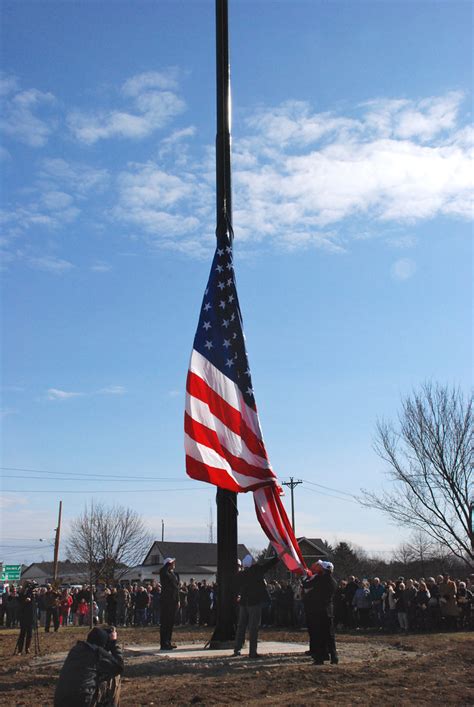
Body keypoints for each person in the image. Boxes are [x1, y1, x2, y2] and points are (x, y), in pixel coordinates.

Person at [54, 626, 124, 707]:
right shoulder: (98, 653)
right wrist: (114, 643)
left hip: (60, 702)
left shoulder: (75, 649)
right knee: (115, 676)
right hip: (83, 703)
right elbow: (120, 666)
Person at [233, 552, 279, 659]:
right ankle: (252, 652)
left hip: (243, 603)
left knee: (241, 627)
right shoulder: (256, 571)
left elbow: (235, 587)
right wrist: (278, 557)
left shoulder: (240, 575)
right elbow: (268, 565)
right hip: (254, 603)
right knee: (253, 628)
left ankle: (237, 649)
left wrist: (238, 596)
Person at [303, 560, 338, 665]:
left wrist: (304, 577)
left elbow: (306, 585)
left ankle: (320, 658)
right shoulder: (334, 582)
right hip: (329, 611)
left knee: (318, 635)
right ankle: (334, 656)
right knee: (330, 635)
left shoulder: (319, 579)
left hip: (318, 611)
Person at [159, 558, 180, 650]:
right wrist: (167, 564)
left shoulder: (173, 574)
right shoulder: (164, 573)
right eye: (172, 563)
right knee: (165, 623)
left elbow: (176, 589)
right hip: (166, 601)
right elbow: (162, 571)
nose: (174, 564)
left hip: (173, 601)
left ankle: (168, 641)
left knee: (170, 623)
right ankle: (164, 643)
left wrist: (178, 600)